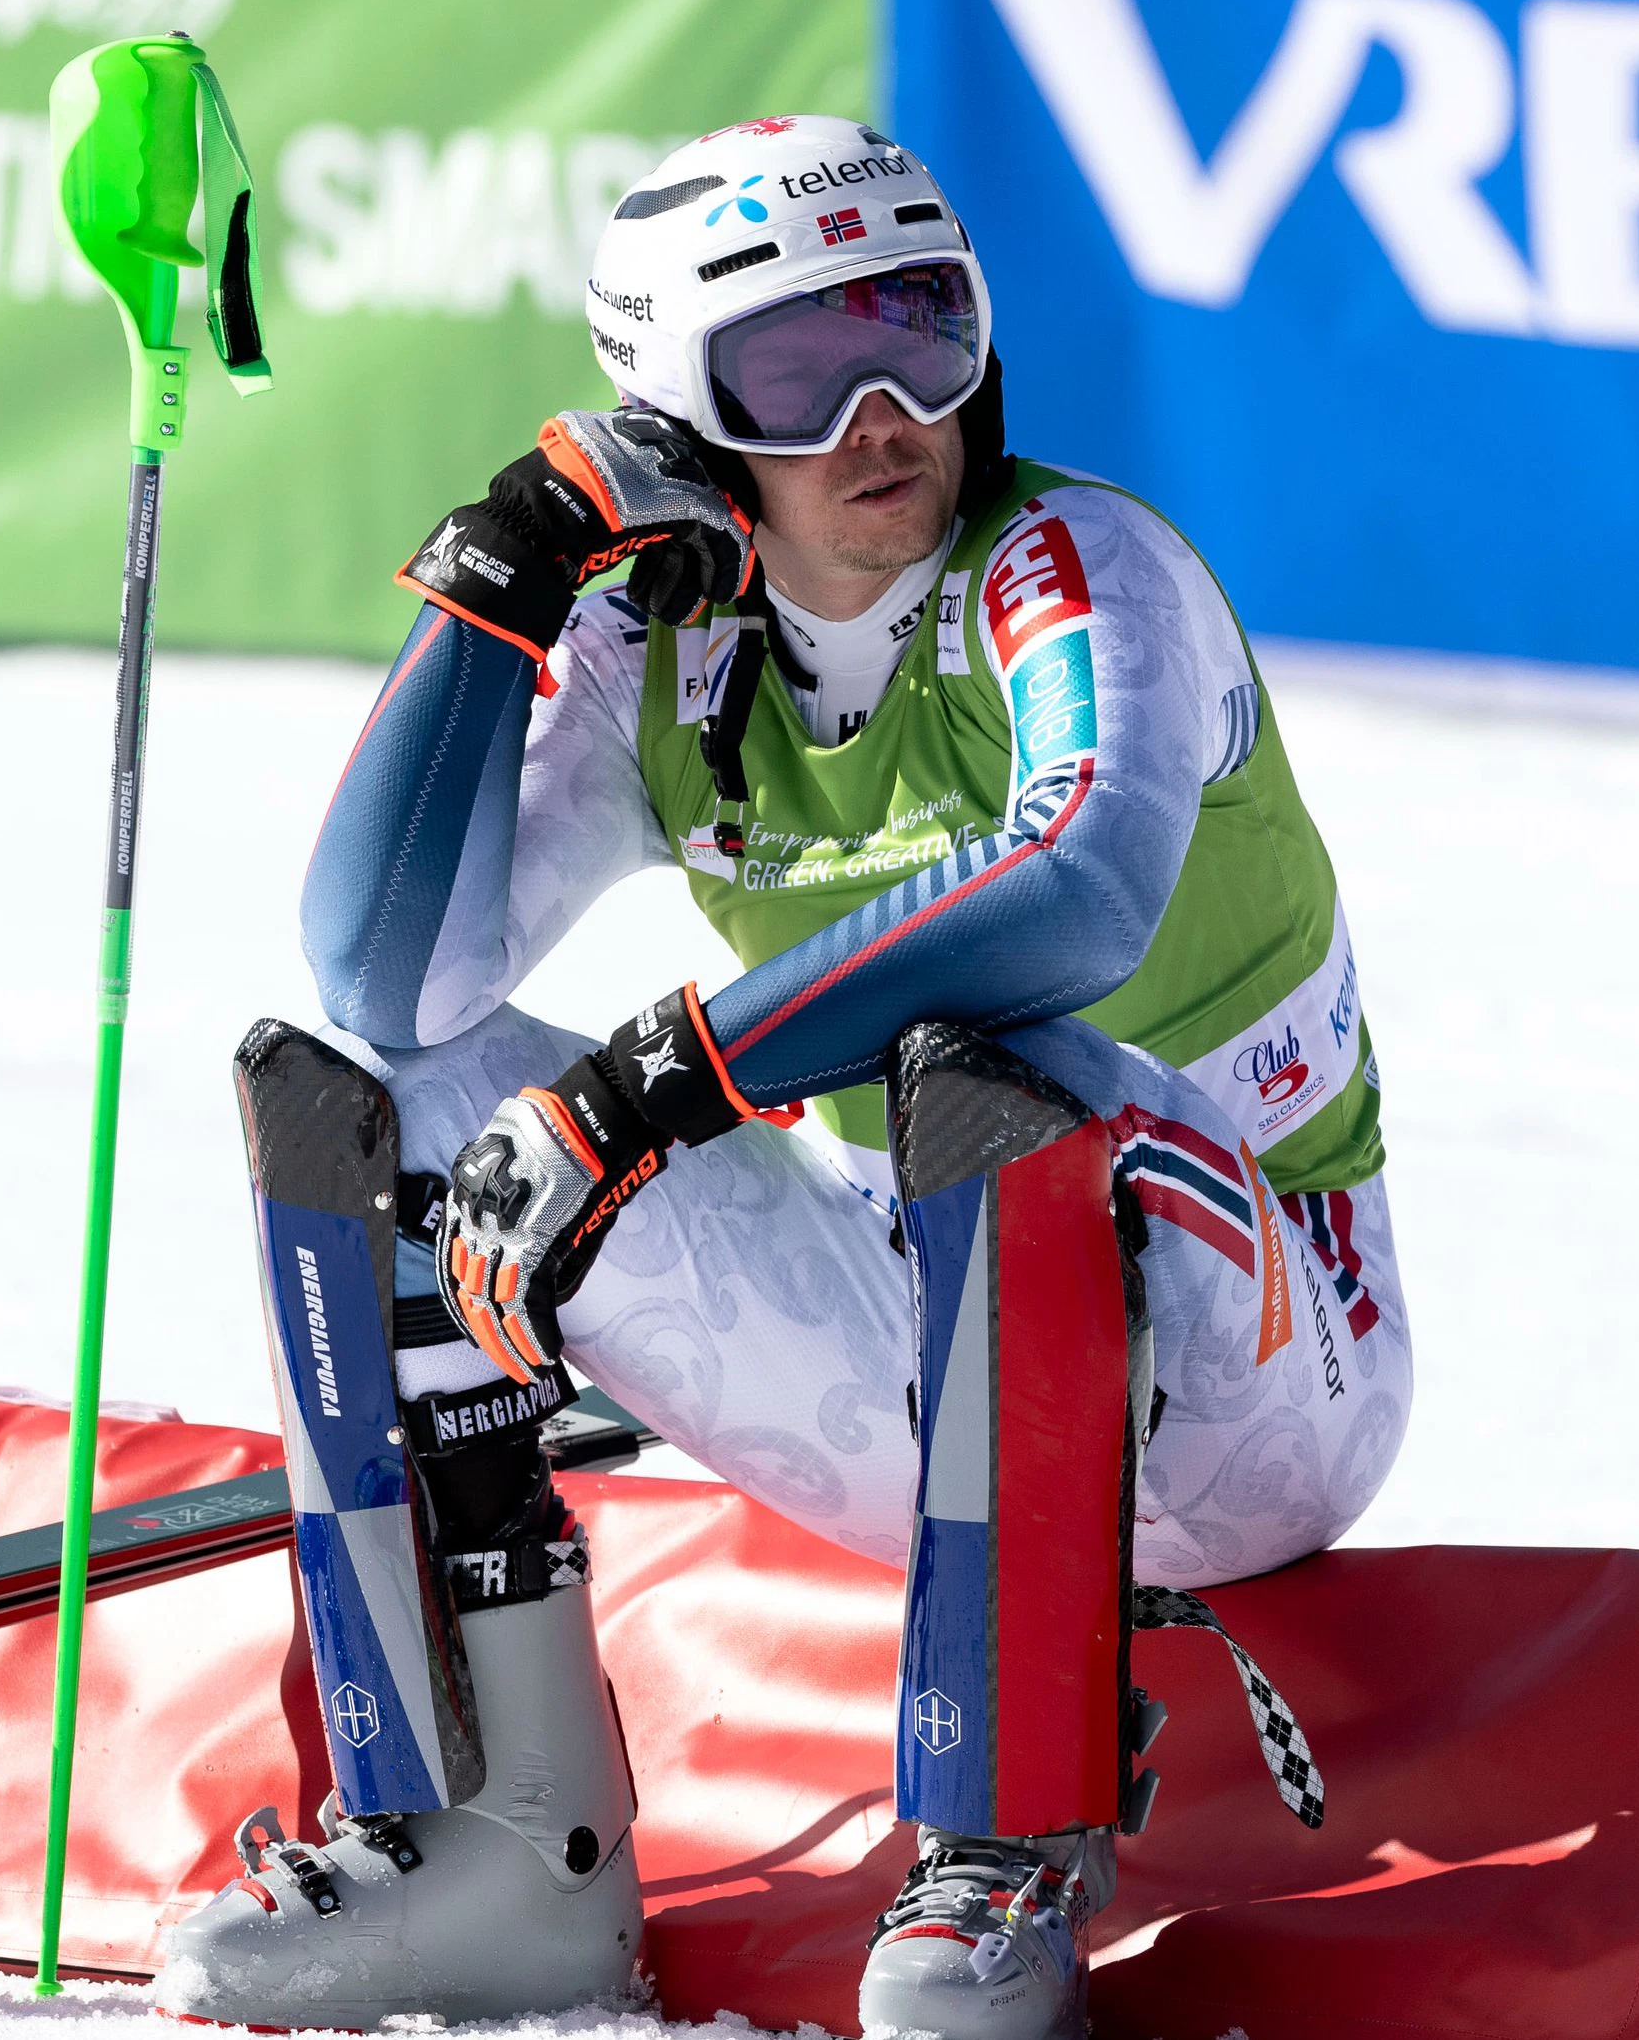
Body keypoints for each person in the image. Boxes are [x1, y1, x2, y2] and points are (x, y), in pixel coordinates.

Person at [149, 117, 1412, 2040]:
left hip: (1260, 1370)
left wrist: (662, 1077)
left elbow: (1077, 891)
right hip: (924, 1354)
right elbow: (384, 970)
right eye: (801, 367)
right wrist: (498, 587)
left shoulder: (1085, 569)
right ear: (677, 410)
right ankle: (506, 1845)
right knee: (383, 1090)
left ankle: (1005, 1855)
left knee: (1001, 1060)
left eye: (925, 327)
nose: (886, 407)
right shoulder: (677, 647)